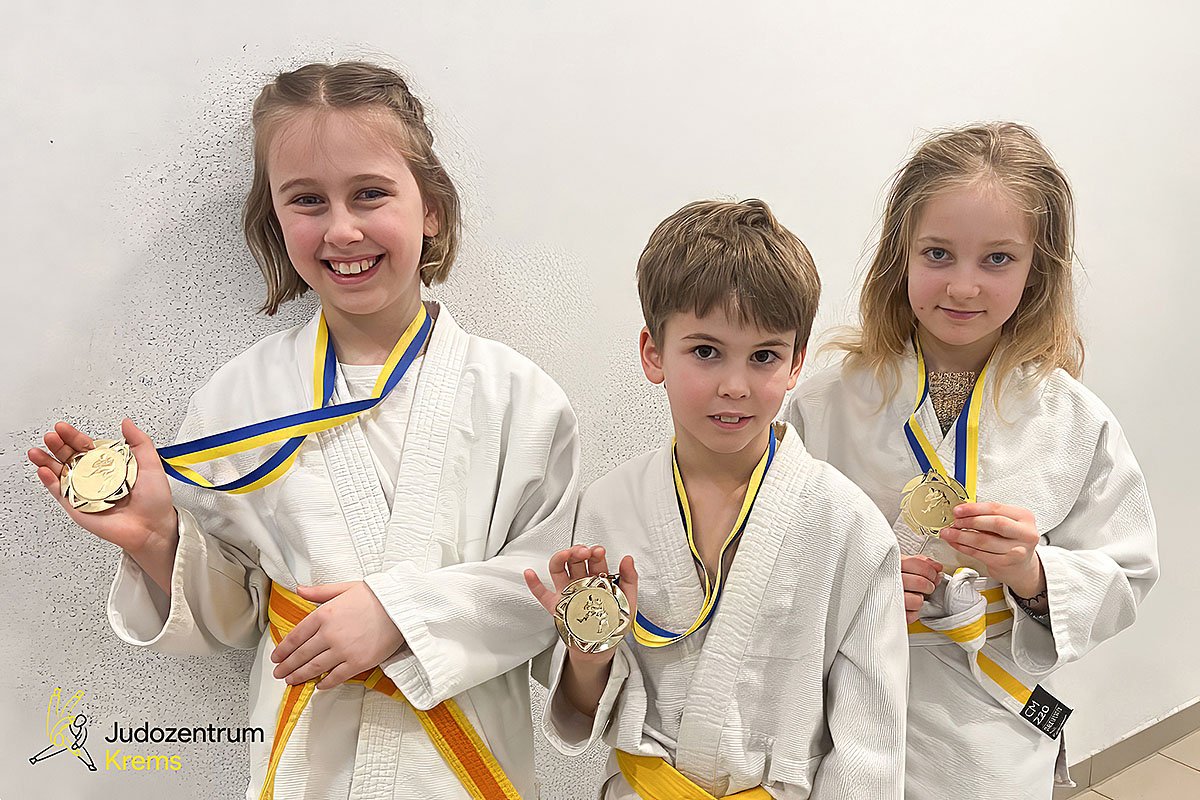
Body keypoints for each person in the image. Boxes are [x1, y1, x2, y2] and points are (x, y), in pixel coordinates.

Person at [28, 61, 579, 800]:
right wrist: (159, 539)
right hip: (306, 764)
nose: (342, 229)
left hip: (464, 766)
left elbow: (548, 588)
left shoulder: (521, 398)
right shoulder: (238, 397)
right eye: (307, 200)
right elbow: (236, 619)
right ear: (275, 218)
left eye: (371, 193)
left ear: (431, 208)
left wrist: (401, 616)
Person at [785, 122, 1159, 800]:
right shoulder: (826, 404)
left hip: (991, 728)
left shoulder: (1073, 419)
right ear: (899, 254)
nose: (963, 286)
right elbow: (771, 557)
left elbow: (1127, 571)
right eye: (938, 253)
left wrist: (1032, 574)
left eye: (997, 259)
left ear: (1038, 268)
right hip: (851, 707)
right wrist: (854, 588)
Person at [525, 199, 908, 798]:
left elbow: (870, 747)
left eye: (764, 357)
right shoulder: (607, 506)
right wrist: (588, 655)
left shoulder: (847, 524)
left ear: (796, 363)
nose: (735, 385)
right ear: (653, 352)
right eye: (706, 351)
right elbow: (580, 710)